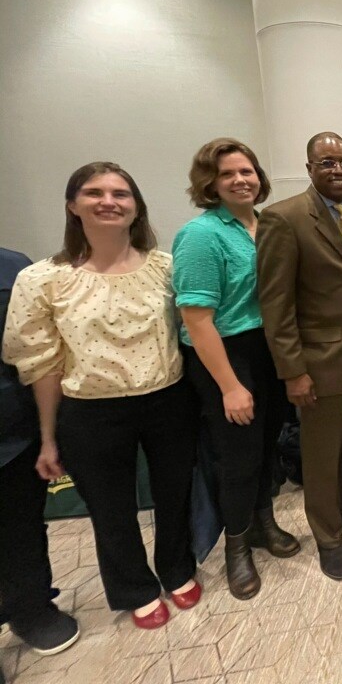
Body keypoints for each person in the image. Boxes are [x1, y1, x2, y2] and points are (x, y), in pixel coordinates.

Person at [2, 163, 201, 630]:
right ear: (73, 206)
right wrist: (49, 438)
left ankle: (176, 568)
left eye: (120, 193)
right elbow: (41, 364)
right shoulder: (42, 279)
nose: (108, 201)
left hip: (167, 399)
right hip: (90, 410)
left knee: (175, 495)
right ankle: (134, 586)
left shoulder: (166, 267)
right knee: (111, 509)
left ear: (136, 207)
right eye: (94, 193)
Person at [256, 132, 342, 582]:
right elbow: (276, 305)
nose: (339, 170)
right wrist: (293, 372)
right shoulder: (285, 219)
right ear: (309, 168)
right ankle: (327, 534)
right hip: (317, 362)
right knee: (320, 453)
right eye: (328, 162)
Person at [172, 139, 299, 601]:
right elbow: (195, 318)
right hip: (225, 355)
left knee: (267, 446)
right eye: (228, 174)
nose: (241, 180)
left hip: (267, 349)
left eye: (247, 171)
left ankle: (265, 523)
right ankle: (237, 546)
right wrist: (229, 386)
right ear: (211, 183)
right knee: (237, 457)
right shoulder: (201, 235)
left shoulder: (266, 226)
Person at [0, 247, 80, 656]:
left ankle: (30, 608)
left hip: (12, 432)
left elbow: (36, 354)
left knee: (21, 527)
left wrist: (48, 435)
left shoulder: (14, 267)